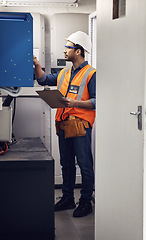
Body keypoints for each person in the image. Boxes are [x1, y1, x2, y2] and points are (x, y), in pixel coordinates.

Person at [33, 31, 96, 217]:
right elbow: (44, 79)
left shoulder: (91, 74)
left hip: (80, 126)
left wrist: (75, 103)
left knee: (84, 165)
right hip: (63, 125)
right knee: (66, 164)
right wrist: (37, 65)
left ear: (78, 51)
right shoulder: (64, 72)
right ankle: (68, 198)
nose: (64, 50)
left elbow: (97, 101)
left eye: (67, 47)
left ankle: (85, 201)